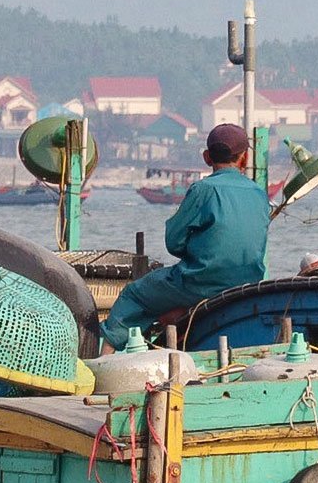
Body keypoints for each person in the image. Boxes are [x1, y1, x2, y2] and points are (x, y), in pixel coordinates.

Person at [103, 123, 271, 345]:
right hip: (247, 284)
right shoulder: (259, 194)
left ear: (207, 157)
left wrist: (197, 251)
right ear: (245, 159)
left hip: (199, 283)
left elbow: (174, 242)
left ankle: (103, 360)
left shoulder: (203, 190)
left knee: (133, 295)